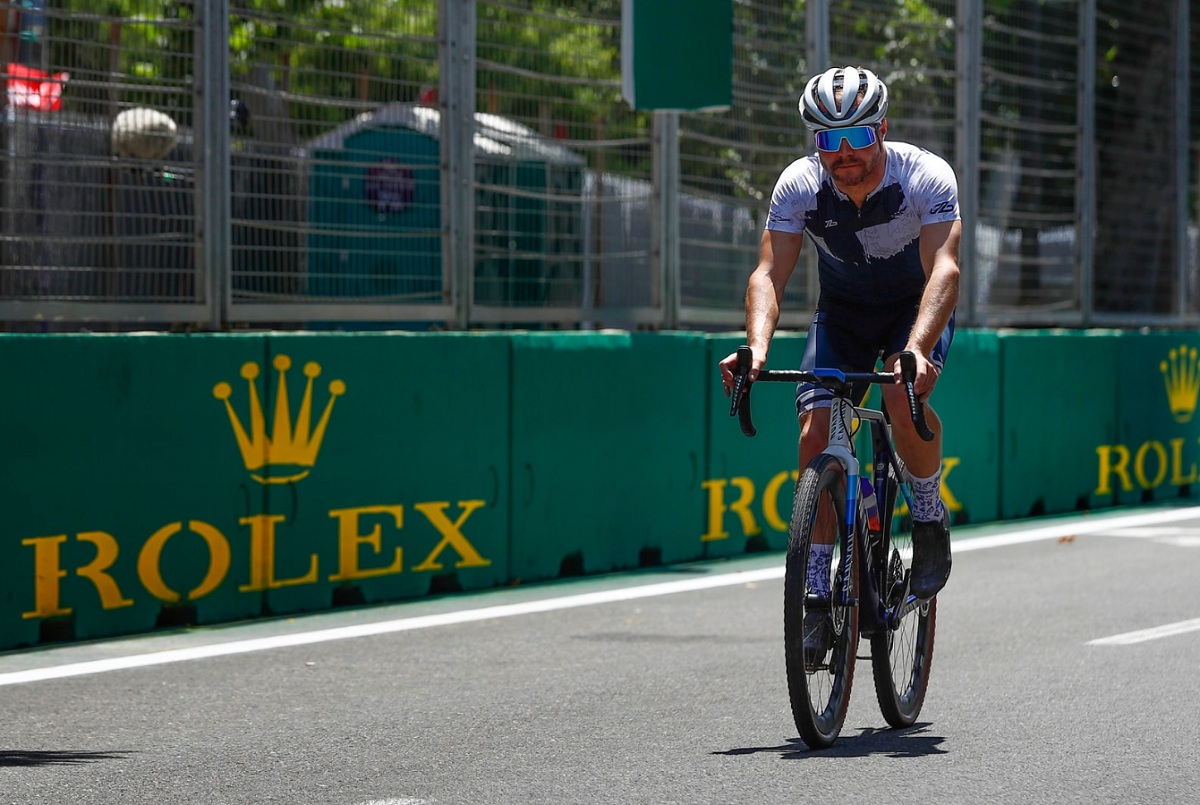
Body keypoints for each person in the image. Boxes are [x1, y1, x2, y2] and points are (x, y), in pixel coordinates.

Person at [718, 66, 960, 644]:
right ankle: (821, 593)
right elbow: (769, 274)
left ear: (882, 129)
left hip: (913, 309)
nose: (845, 153)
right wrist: (756, 348)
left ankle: (927, 516)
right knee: (815, 429)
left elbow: (944, 269)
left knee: (902, 400)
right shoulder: (799, 186)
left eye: (858, 137)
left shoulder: (925, 176)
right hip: (845, 314)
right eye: (829, 140)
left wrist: (917, 350)